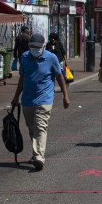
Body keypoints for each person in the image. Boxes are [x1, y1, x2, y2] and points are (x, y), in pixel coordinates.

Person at [11, 32, 70, 171]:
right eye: (32, 46)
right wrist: (15, 97)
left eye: (37, 46)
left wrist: (65, 96)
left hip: (44, 100)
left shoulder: (51, 58)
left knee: (40, 127)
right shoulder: (25, 57)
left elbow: (60, 77)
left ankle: (39, 157)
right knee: (32, 129)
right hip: (27, 100)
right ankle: (36, 152)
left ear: (43, 46)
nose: (34, 49)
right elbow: (22, 79)